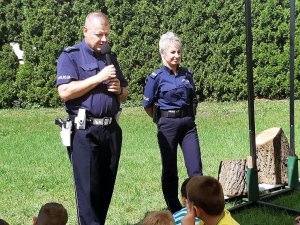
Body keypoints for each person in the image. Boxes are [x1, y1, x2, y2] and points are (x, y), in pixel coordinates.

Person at [56, 11, 128, 225]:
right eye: (99, 35)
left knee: (105, 190)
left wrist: (118, 90)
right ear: (85, 31)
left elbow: (124, 93)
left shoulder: (109, 56)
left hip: (111, 130)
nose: (104, 40)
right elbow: (65, 92)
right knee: (88, 192)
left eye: (107, 34)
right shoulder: (71, 56)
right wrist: (99, 78)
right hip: (84, 131)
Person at [143, 31, 203, 213]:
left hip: (188, 125)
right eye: (172, 53)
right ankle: (175, 209)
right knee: (170, 170)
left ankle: (198, 206)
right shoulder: (156, 77)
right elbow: (147, 105)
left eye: (179, 52)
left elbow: (193, 98)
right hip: (167, 125)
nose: (177, 56)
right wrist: (162, 120)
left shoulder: (187, 74)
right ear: (163, 53)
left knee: (195, 169)